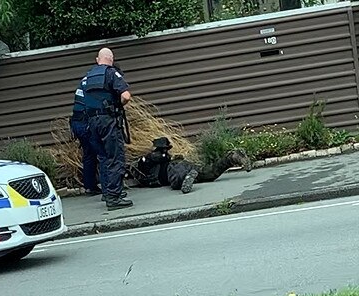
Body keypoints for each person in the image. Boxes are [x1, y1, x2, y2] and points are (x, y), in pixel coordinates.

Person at [80, 47, 133, 211]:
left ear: (98, 59)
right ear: (111, 59)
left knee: (103, 158)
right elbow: (126, 96)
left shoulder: (88, 76)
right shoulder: (111, 73)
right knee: (115, 158)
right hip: (108, 121)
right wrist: (118, 105)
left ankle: (109, 193)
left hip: (92, 123)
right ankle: (114, 197)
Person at [129, 136, 252, 193]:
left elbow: (156, 158)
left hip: (172, 170)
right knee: (209, 173)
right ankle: (231, 157)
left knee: (176, 181)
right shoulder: (148, 160)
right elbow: (151, 159)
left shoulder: (153, 159)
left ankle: (187, 178)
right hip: (181, 165)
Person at [69, 81, 103, 196]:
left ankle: (90, 187)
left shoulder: (86, 81)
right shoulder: (100, 80)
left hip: (77, 122)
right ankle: (109, 188)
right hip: (86, 123)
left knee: (89, 155)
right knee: (103, 154)